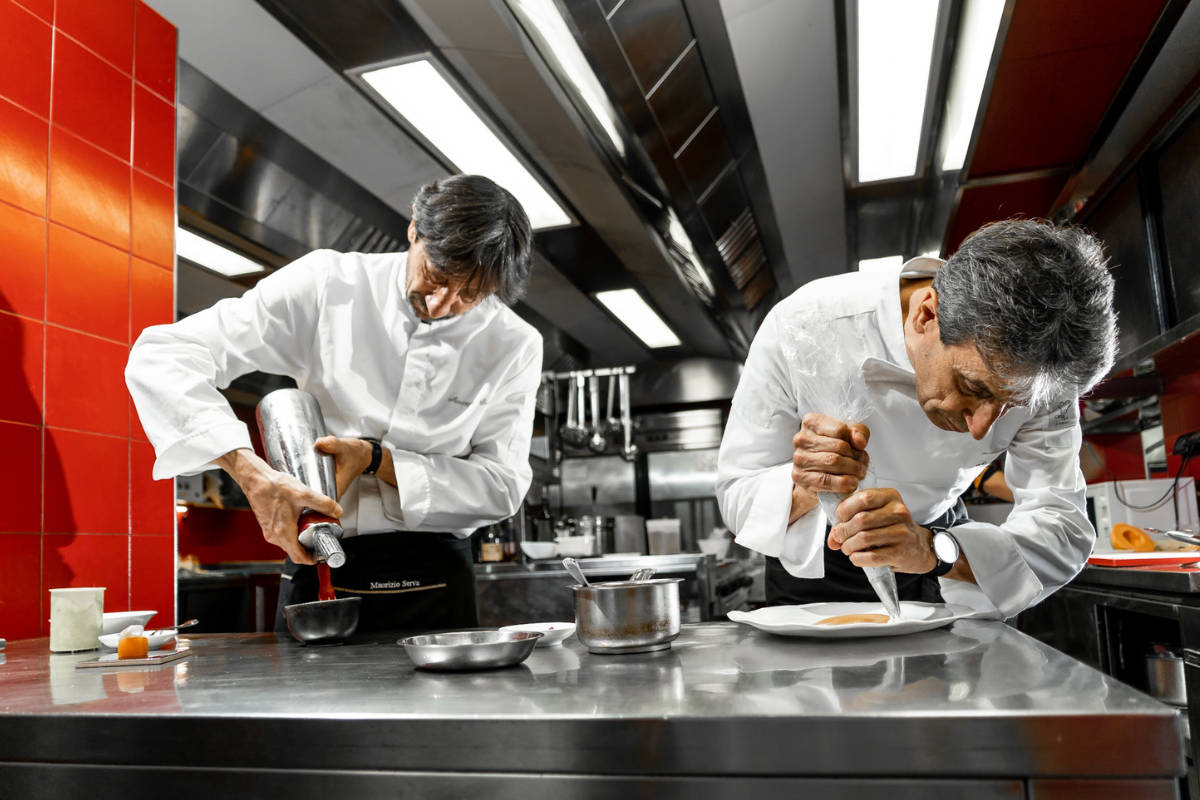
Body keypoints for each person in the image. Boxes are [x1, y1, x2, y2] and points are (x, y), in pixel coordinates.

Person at [127, 175, 543, 633]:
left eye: (470, 295)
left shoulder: (514, 344)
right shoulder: (328, 284)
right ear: (413, 231)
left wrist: (376, 460)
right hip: (317, 556)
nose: (443, 305)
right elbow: (163, 355)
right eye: (437, 277)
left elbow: (502, 485)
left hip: (436, 577)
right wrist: (250, 473)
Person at [716, 219, 1117, 618]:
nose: (981, 429)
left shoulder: (1048, 373)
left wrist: (933, 550)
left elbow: (1062, 525)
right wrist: (817, 483)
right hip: (813, 572)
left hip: (942, 559)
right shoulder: (803, 325)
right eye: (974, 388)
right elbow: (736, 495)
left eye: (1012, 405)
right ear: (926, 316)